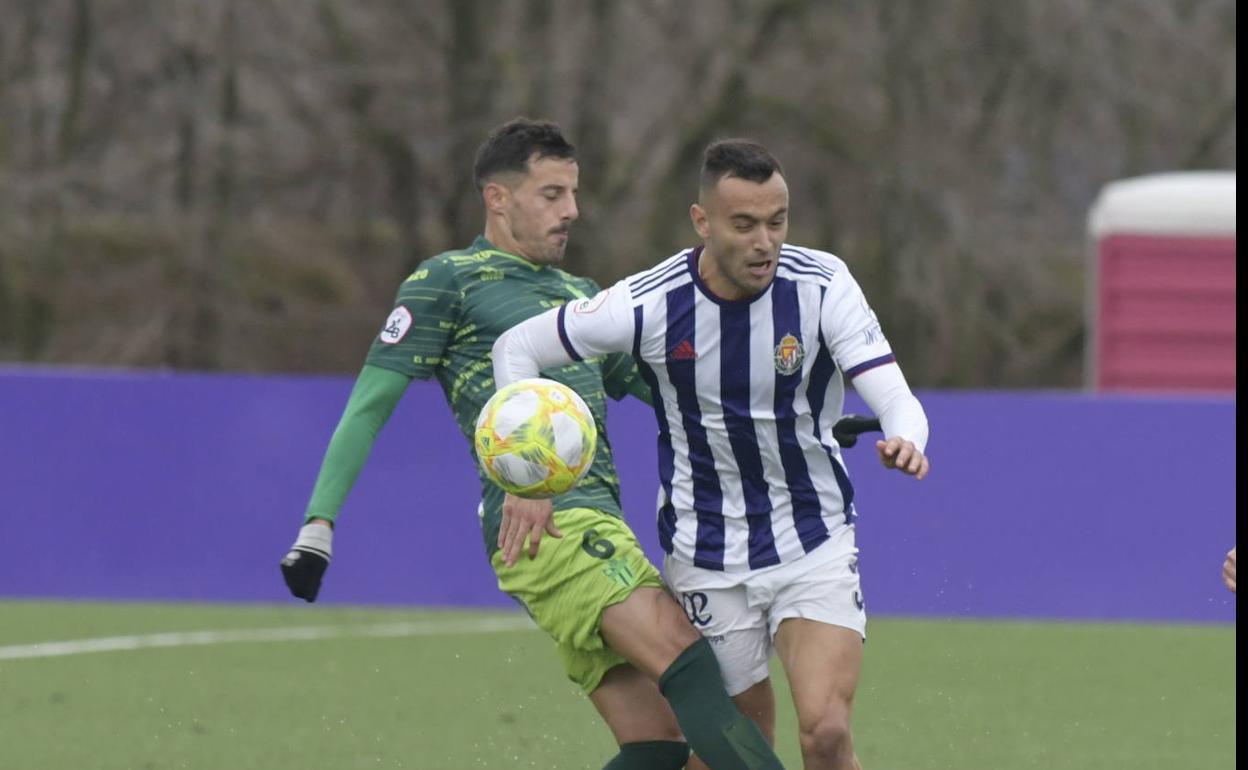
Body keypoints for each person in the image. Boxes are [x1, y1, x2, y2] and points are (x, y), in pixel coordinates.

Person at [279, 119, 786, 770]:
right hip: (547, 526)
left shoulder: (580, 299)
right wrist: (318, 525)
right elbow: (369, 405)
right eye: (551, 194)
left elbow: (680, 393)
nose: (571, 210)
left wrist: (797, 424)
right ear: (499, 198)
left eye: (573, 194)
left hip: (599, 523)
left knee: (658, 742)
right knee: (689, 665)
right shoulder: (450, 282)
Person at [492, 139, 930, 770]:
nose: (764, 242)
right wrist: (526, 479)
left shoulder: (823, 285)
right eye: (744, 224)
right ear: (702, 223)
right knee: (735, 752)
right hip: (707, 556)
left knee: (827, 732)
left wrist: (906, 438)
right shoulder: (647, 304)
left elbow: (896, 397)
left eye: (776, 222)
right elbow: (516, 348)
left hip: (812, 538)